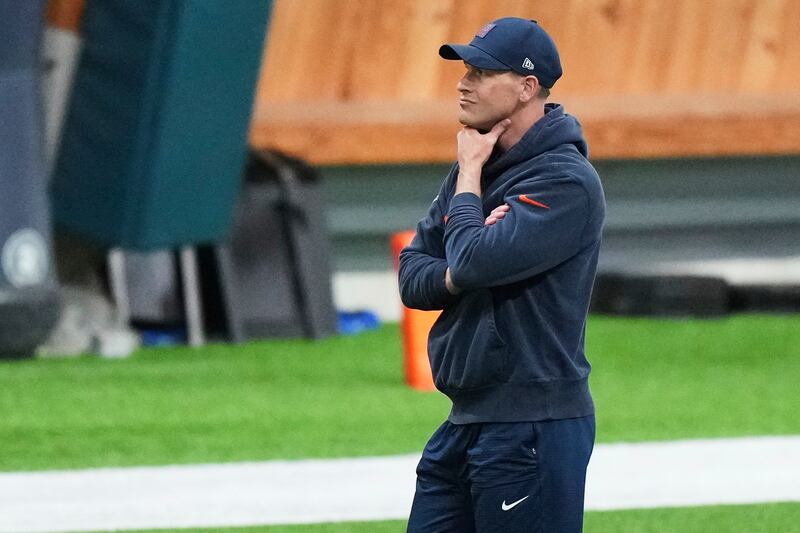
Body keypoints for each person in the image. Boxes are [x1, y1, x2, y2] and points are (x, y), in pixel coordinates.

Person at [398, 17, 606, 533]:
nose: (464, 82)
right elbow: (414, 274)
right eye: (465, 69)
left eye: (482, 71)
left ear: (527, 87)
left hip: (533, 424)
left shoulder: (563, 180)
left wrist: (468, 182)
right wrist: (460, 269)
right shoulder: (479, 163)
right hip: (466, 418)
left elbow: (469, 260)